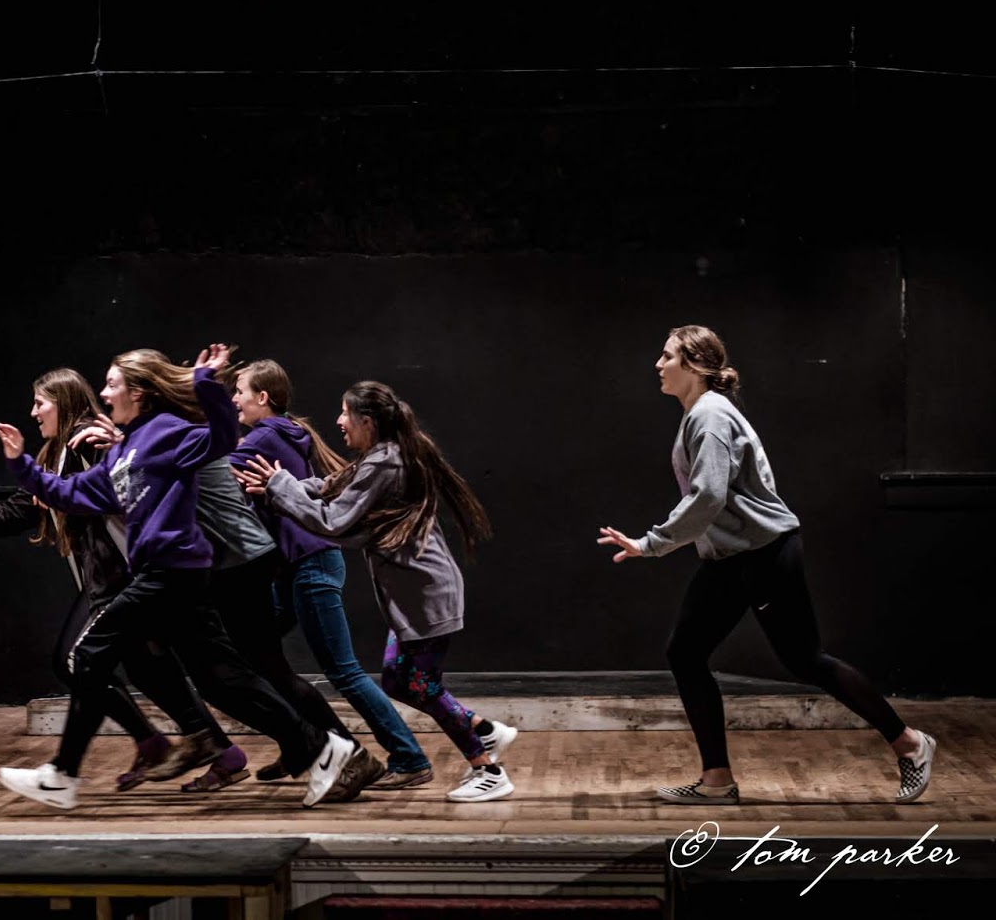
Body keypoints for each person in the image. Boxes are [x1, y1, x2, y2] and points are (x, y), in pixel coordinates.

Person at [0, 345, 369, 810]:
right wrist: (22, 464)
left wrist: (205, 382)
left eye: (111, 385)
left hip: (172, 571)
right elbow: (74, 494)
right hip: (175, 575)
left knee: (88, 654)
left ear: (138, 392)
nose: (104, 394)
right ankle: (323, 746)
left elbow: (222, 436)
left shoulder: (167, 431)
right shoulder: (124, 448)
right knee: (221, 680)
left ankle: (62, 774)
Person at [597, 325, 937, 804]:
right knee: (686, 653)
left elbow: (708, 496)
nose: (658, 364)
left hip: (764, 553)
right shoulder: (702, 413)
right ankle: (717, 780)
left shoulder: (709, 415)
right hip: (731, 557)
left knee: (804, 659)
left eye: (667, 356)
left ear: (694, 366)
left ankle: (910, 743)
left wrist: (651, 543)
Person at [0, 368, 224, 790]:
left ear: (63, 403)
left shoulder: (86, 442)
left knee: (84, 661)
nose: (34, 412)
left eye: (40, 403)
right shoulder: (56, 453)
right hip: (108, 576)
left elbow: (121, 489)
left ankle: (94, 762)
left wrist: (76, 476)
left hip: (123, 573)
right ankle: (200, 746)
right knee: (140, 667)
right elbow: (24, 507)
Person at [238, 380, 517, 802]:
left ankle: (488, 770)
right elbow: (331, 486)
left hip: (426, 595)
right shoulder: (381, 457)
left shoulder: (385, 463)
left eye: (345, 413)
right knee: (397, 680)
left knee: (421, 686)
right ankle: (483, 730)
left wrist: (281, 486)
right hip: (417, 594)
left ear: (366, 420)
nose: (339, 421)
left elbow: (333, 520)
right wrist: (280, 485)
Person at [230, 359, 434, 788]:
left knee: (343, 671)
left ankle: (409, 757)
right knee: (259, 657)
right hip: (293, 567)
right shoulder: (285, 431)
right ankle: (299, 744)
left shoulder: (265, 435)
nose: (234, 400)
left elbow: (205, 468)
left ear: (262, 397)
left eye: (239, 392)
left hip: (311, 563)